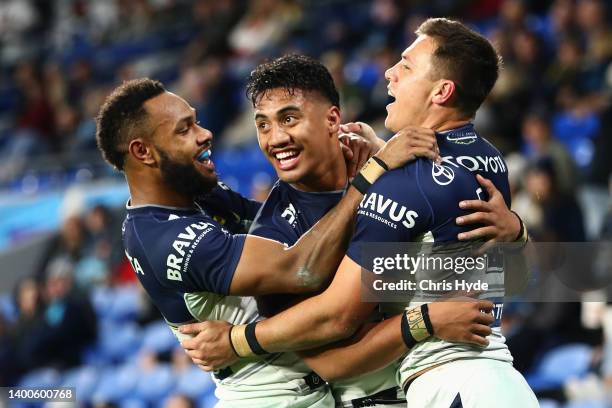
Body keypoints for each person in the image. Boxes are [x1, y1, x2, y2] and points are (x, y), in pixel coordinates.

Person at [178, 18, 538, 408]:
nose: (389, 72)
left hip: (452, 385)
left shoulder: (400, 183)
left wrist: (236, 340)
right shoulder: (488, 159)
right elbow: (516, 274)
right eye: (262, 124)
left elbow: (337, 317)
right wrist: (518, 232)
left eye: (406, 65)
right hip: (471, 379)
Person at [95, 78, 497, 407]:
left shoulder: (199, 197)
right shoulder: (163, 237)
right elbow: (300, 268)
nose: (205, 134)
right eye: (184, 129)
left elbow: (309, 233)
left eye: (196, 121)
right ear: (142, 152)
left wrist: (362, 171)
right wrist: (370, 176)